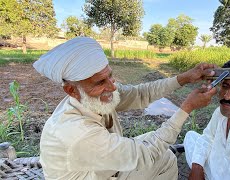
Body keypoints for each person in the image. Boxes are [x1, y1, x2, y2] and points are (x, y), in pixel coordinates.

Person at [33, 37, 218, 180]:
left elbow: (140, 93)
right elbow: (146, 154)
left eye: (110, 77)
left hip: (98, 166)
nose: (112, 87)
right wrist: (186, 108)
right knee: (165, 158)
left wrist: (185, 77)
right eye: (100, 82)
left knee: (150, 139)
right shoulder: (76, 131)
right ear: (71, 90)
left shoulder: (92, 97)